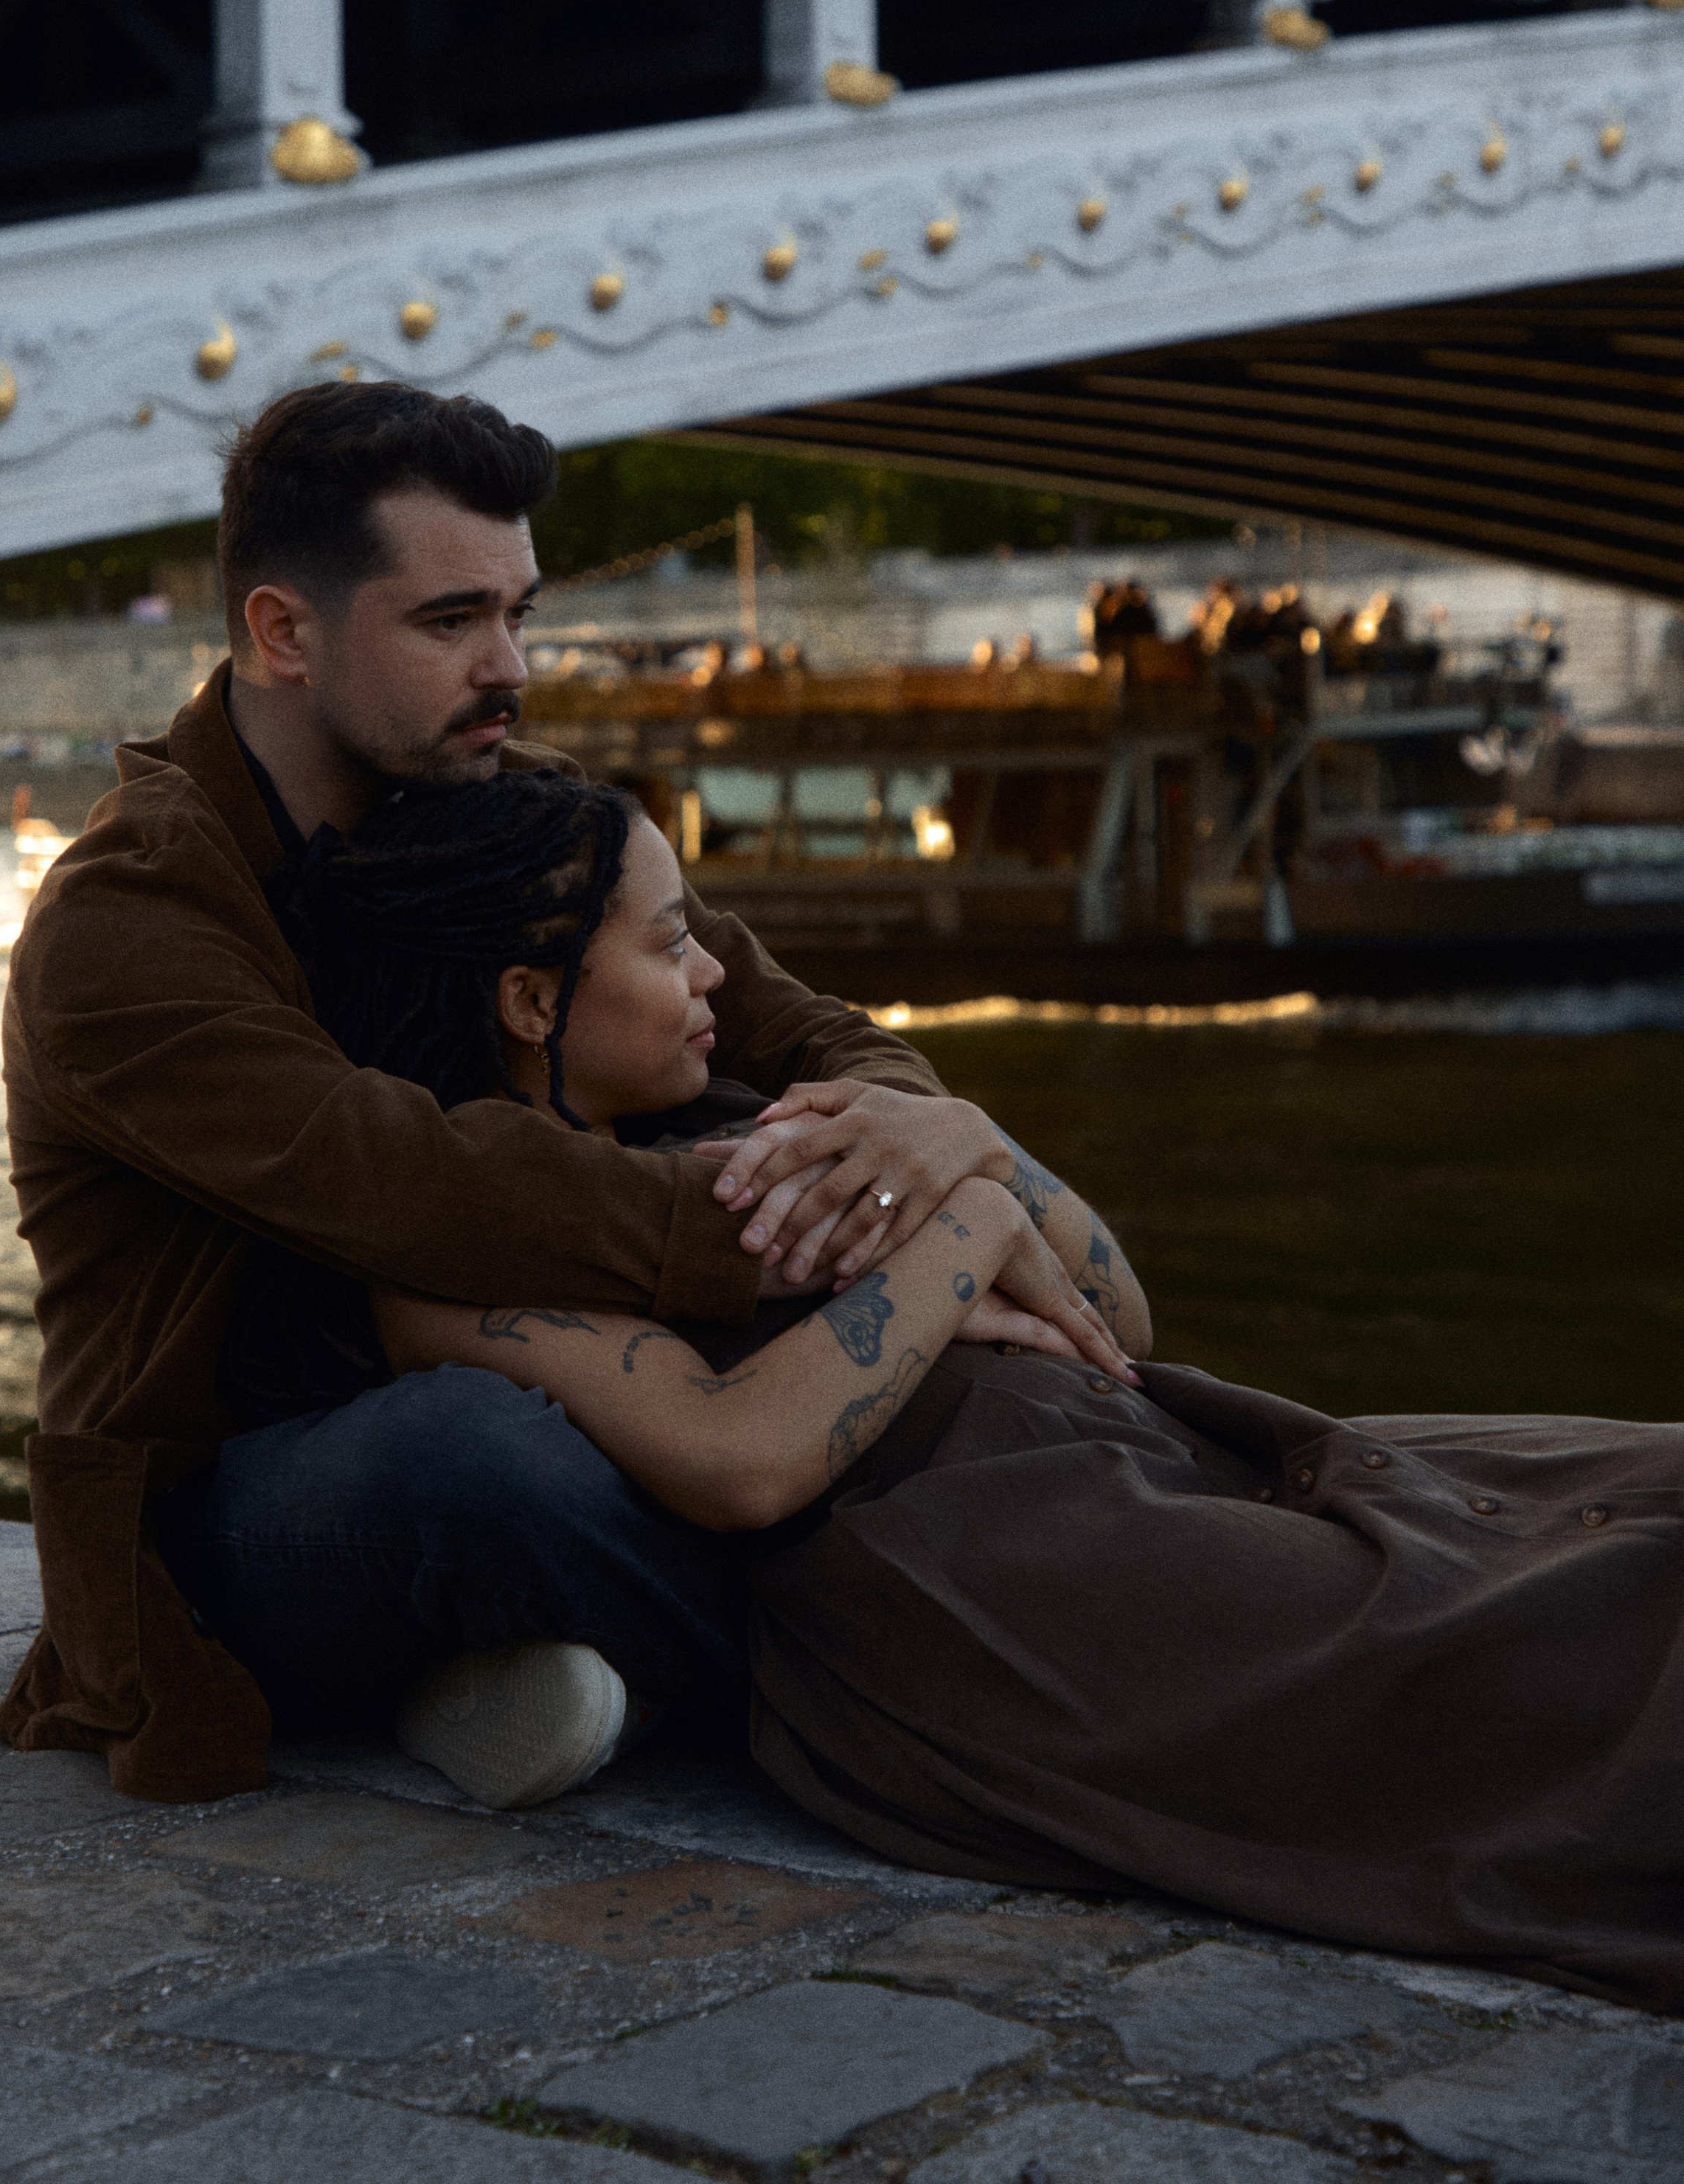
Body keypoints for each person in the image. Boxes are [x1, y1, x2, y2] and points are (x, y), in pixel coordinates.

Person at [302, 769, 1684, 2018]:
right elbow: (742, 1458)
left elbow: (1119, 1311)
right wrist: (966, 1234)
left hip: (1169, 1444)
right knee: (1563, 1642)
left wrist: (963, 1136)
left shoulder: (745, 1115)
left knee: (1620, 1491)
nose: (719, 967)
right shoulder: (448, 1264)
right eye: (671, 944)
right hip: (998, 1572)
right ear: (532, 1000)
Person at [0, 382, 1060, 1806]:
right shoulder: (126, 921)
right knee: (472, 1455)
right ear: (283, 633)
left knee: (769, 1393)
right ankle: (913, 1682)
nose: (510, 668)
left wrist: (916, 1124)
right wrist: (815, 1228)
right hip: (246, 1507)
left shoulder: (501, 795)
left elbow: (792, 1019)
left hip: (569, 1381)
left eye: (519, 614)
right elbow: (411, 1181)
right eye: (451, 623)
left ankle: (576, 1678)